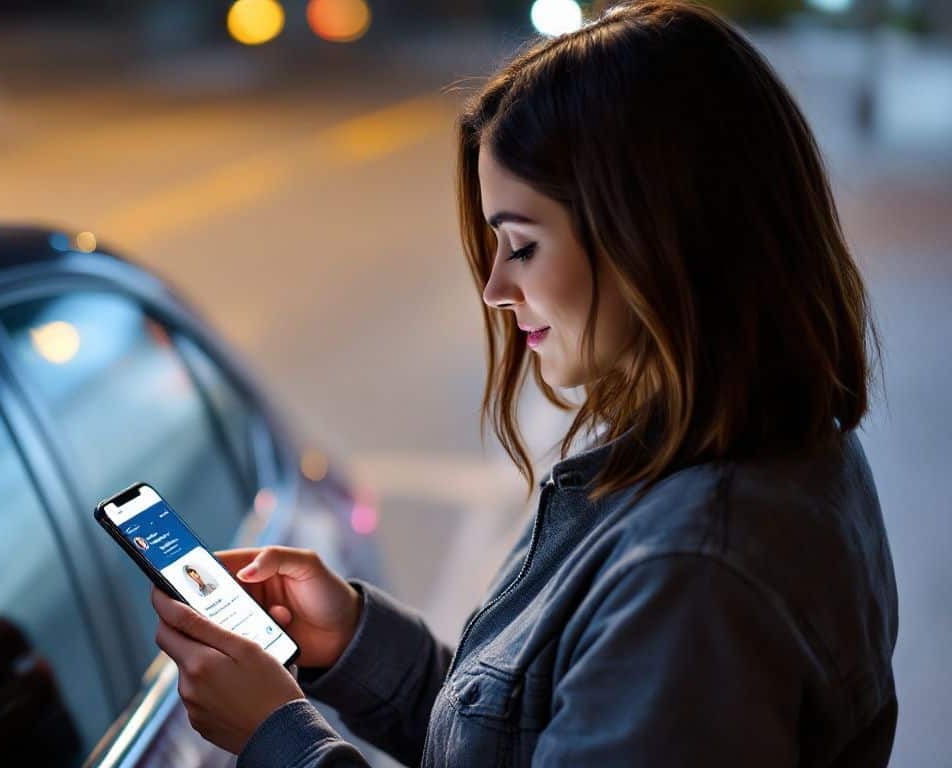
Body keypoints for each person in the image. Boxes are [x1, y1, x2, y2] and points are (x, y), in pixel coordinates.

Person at [147, 1, 898, 765]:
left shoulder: (696, 577)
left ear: (650, 239)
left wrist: (279, 736)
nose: (495, 289)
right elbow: (536, 736)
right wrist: (354, 643)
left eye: (524, 246)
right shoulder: (749, 456)